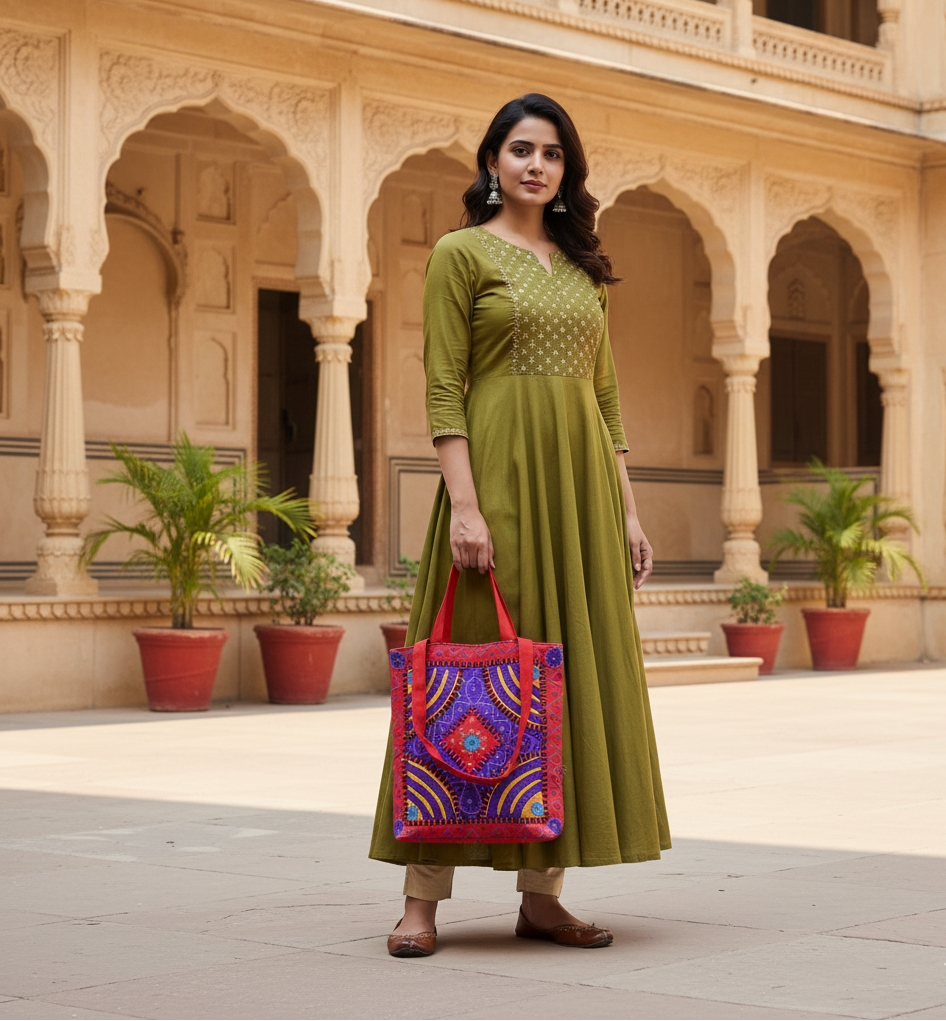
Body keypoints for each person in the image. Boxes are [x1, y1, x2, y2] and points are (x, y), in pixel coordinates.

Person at [369, 93, 670, 956]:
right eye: (520, 149)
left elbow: (606, 399)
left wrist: (629, 507)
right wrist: (464, 503)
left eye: (551, 154)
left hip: (578, 495)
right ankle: (420, 902)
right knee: (460, 675)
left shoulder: (583, 268)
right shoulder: (461, 254)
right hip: (495, 481)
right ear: (493, 161)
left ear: (567, 169)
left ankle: (543, 896)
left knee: (560, 681)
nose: (536, 165)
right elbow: (442, 386)